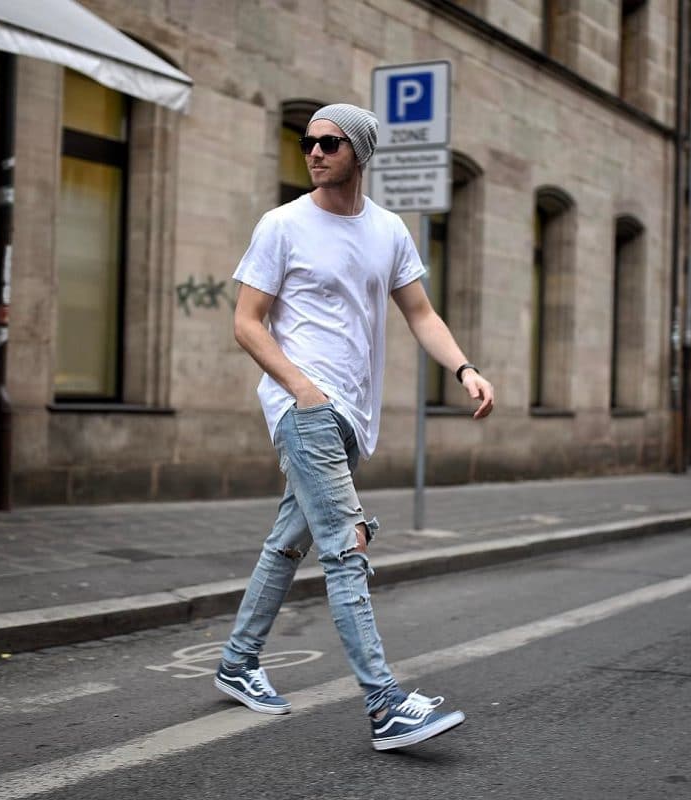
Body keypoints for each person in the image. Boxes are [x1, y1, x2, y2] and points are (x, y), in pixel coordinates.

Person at [215, 103, 494, 751]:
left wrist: (465, 370)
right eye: (307, 141)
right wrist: (302, 389)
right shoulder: (282, 225)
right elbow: (247, 321)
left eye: (330, 143)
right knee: (346, 549)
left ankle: (237, 662)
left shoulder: (389, 230)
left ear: (360, 153)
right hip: (306, 410)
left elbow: (420, 313)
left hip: (352, 420)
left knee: (289, 543)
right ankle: (385, 703)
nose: (313, 152)